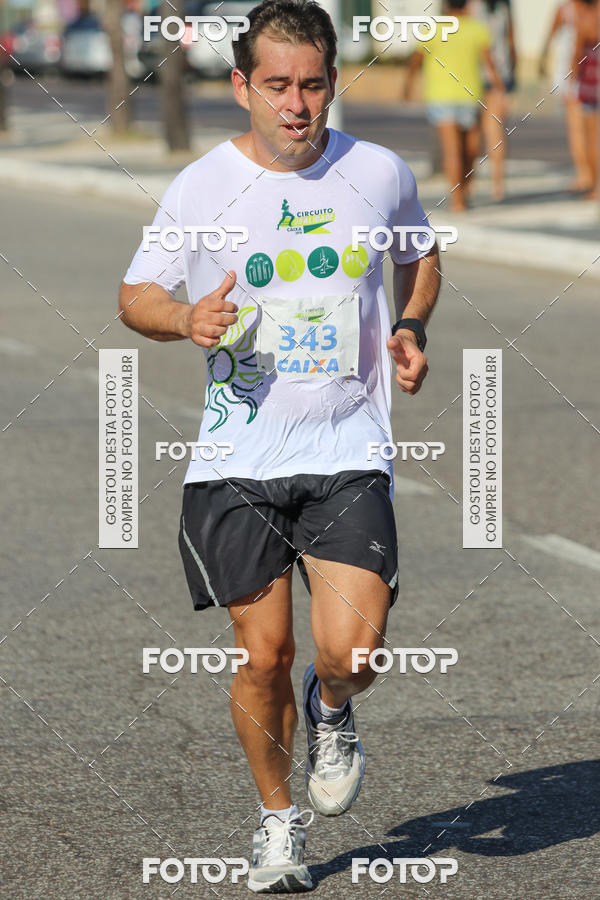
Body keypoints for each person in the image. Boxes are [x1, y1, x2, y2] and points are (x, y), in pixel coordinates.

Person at [119, 0, 440, 892]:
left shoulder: (376, 172)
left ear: (333, 83)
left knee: (355, 653)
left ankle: (333, 709)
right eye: (276, 86)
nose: (296, 104)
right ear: (241, 88)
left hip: (347, 448)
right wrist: (186, 316)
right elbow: (134, 295)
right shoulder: (200, 187)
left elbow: (418, 254)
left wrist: (411, 325)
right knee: (263, 657)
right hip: (237, 462)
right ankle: (276, 823)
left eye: (311, 84)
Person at [403, 0, 504, 211]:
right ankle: (460, 194)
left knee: (459, 150)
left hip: (447, 96)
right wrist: (498, 86)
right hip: (467, 95)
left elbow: (416, 60)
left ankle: (460, 194)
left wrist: (408, 86)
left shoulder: (432, 29)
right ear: (467, 5)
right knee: (466, 149)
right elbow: (489, 62)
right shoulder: (477, 28)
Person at [539, 0, 595, 192]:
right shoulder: (572, 10)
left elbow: (555, 40)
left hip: (577, 73)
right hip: (582, 73)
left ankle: (586, 175)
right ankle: (587, 175)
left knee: (580, 130)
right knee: (586, 130)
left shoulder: (567, 11)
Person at [472, 0, 517, 201]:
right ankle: (497, 185)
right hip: (499, 74)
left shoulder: (469, 7)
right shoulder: (504, 6)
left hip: (472, 74)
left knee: (472, 132)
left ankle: (467, 185)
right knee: (495, 132)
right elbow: (511, 41)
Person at [572, 0, 599, 198]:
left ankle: (596, 186)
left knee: (591, 137)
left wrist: (572, 80)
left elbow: (576, 55)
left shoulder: (585, 21)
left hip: (590, 82)